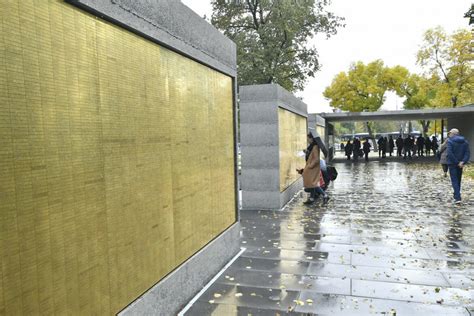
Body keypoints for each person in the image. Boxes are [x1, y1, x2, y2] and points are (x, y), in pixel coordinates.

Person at [298, 133, 329, 205]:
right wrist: (307, 152)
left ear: (312, 139)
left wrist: (309, 166)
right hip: (313, 168)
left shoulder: (315, 147)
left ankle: (325, 195)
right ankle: (311, 198)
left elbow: (316, 159)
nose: (308, 140)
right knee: (312, 183)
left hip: (313, 169)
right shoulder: (312, 146)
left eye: (308, 139)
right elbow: (311, 156)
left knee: (313, 184)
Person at [446, 128, 470, 204]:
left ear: (453, 134)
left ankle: (457, 197)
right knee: (458, 180)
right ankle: (456, 195)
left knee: (454, 180)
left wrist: (456, 162)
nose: (449, 134)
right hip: (461, 164)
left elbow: (450, 153)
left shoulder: (450, 141)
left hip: (452, 164)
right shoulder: (465, 142)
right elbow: (467, 153)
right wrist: (462, 162)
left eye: (450, 133)